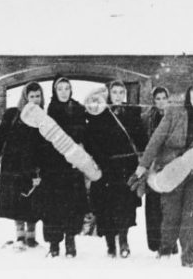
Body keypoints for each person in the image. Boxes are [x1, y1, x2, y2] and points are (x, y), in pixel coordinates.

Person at [133, 84, 193, 268]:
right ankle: (165, 250)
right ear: (188, 99)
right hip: (172, 168)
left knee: (192, 212)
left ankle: (189, 256)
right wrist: (142, 166)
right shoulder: (174, 114)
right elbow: (156, 140)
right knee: (171, 211)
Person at [84, 81, 141, 258]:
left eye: (120, 92)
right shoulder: (99, 113)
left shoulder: (132, 114)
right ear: (109, 94)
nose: (117, 95)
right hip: (107, 167)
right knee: (106, 206)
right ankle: (110, 244)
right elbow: (89, 138)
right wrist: (101, 159)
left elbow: (140, 138)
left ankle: (123, 241)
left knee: (125, 206)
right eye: (114, 92)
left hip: (126, 167)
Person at [33, 76, 89, 257]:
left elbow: (86, 134)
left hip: (73, 165)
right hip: (54, 167)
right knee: (53, 206)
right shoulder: (49, 112)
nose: (64, 92)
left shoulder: (79, 110)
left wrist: (82, 146)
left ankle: (71, 240)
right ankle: (54, 244)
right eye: (60, 89)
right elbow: (43, 142)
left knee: (73, 205)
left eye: (67, 88)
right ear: (55, 92)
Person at [0, 81, 44, 249]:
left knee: (32, 199)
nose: (34, 100)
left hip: (33, 164)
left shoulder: (43, 117)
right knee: (16, 200)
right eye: (31, 96)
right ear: (25, 97)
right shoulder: (12, 114)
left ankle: (31, 237)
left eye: (38, 96)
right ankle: (19, 236)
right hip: (14, 165)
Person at [143, 86, 178, 255]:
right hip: (153, 166)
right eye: (157, 98)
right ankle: (156, 243)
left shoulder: (176, 117)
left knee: (170, 206)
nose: (161, 101)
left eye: (164, 98)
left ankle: (170, 243)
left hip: (170, 165)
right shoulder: (147, 118)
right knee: (154, 206)